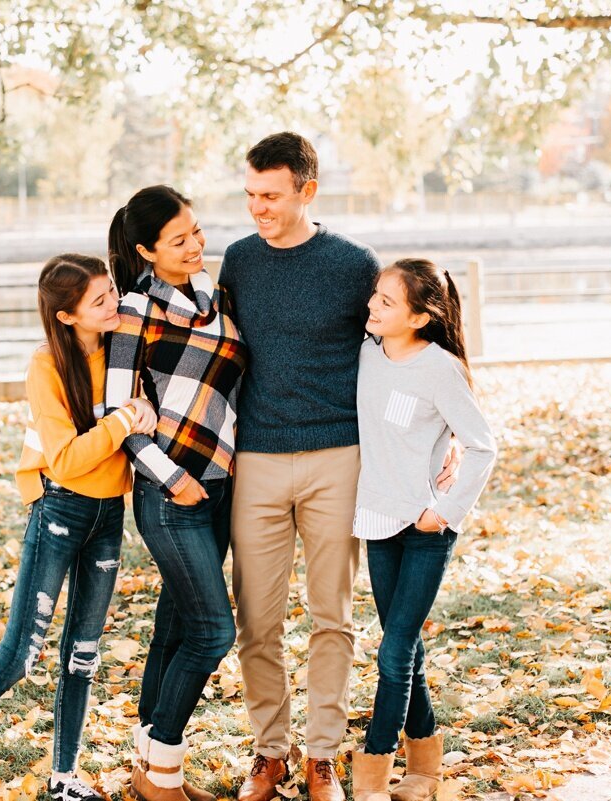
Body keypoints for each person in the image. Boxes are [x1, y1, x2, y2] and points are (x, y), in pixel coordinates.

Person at [219, 132, 461, 801]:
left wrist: (449, 435)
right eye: (250, 195)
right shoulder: (238, 261)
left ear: (307, 191)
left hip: (339, 459)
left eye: (270, 195)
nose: (257, 207)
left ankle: (323, 756)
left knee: (332, 615)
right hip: (258, 460)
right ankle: (271, 751)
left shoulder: (355, 265)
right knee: (257, 620)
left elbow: (411, 343)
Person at [0, 253, 157, 801]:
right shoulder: (45, 367)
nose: (113, 302)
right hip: (60, 512)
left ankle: (64, 780)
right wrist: (126, 419)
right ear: (68, 316)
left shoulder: (120, 350)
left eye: (112, 290)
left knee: (83, 655)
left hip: (109, 513)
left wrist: (138, 412)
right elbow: (64, 460)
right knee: (20, 653)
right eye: (99, 299)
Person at [105, 185, 249, 801]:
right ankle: (162, 769)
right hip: (170, 496)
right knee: (213, 633)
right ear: (146, 250)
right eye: (178, 239)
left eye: (196, 230)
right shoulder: (138, 308)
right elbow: (114, 411)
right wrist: (173, 477)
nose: (195, 245)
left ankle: (152, 769)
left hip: (221, 487)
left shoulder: (215, 293)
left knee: (174, 624)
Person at [349, 259, 496, 801]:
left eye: (387, 302)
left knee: (393, 652)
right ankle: (425, 766)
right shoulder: (367, 353)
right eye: (375, 297)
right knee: (404, 649)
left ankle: (371, 778)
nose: (372, 307)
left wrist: (447, 510)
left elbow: (482, 446)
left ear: (419, 315)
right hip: (377, 519)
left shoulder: (441, 369)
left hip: (425, 527)